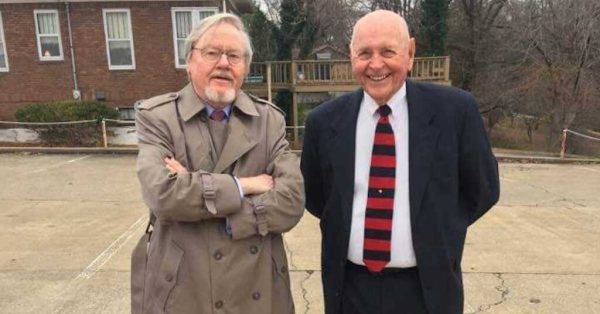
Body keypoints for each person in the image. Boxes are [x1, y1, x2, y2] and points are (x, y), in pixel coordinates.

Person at [301, 10, 500, 314]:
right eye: (364, 53)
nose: (376, 64)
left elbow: (483, 189)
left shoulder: (455, 112)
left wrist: (441, 228)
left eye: (388, 52)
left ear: (410, 53)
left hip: (427, 291)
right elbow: (317, 199)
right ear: (352, 57)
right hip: (350, 290)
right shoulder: (323, 122)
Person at [132, 13, 304, 314]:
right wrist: (245, 186)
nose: (223, 63)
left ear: (245, 67)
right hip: (185, 289)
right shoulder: (157, 117)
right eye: (212, 53)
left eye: (234, 55)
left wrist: (222, 212)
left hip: (258, 288)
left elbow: (291, 202)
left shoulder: (269, 121)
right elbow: (163, 193)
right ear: (189, 61)